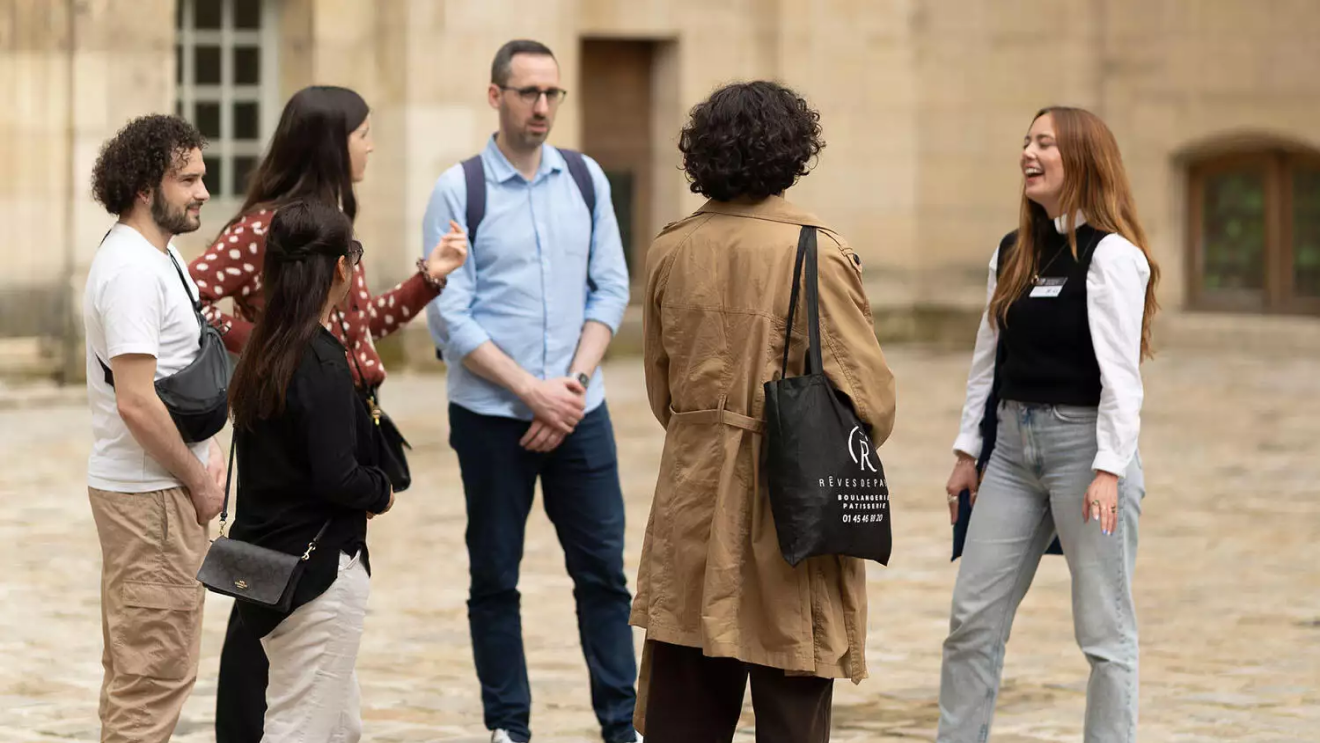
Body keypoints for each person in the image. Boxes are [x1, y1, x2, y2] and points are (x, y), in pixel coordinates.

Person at [193, 85, 469, 743]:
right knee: (278, 596)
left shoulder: (334, 227)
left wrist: (427, 278)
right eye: (364, 131)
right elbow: (188, 300)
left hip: (340, 409)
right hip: (296, 426)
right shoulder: (269, 227)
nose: (373, 144)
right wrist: (267, 351)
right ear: (330, 140)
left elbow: (359, 328)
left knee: (305, 625)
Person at [631, 81, 897, 743]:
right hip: (787, 511)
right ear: (793, 150)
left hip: (691, 498)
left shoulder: (670, 249)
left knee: (684, 709)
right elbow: (870, 401)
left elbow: (662, 393)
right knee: (791, 709)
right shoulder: (818, 251)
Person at [424, 39, 637, 743]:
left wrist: (569, 388)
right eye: (528, 93)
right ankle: (508, 726)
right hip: (490, 417)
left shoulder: (585, 178)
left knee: (604, 574)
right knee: (494, 576)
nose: (542, 107)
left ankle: (622, 722)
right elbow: (450, 313)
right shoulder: (460, 189)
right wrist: (530, 392)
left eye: (552, 94)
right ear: (496, 97)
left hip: (583, 411)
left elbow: (612, 286)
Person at [939, 106, 1159, 742]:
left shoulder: (1113, 256)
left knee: (1104, 633)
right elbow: (989, 363)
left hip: (1084, 451)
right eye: (1026, 142)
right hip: (1009, 452)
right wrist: (967, 453)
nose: (1028, 154)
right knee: (972, 621)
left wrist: (1109, 469)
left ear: (1082, 161)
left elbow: (1123, 377)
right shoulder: (1013, 252)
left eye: (1045, 144)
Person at [225, 199, 395, 741]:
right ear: (341, 268)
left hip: (266, 568)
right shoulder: (318, 358)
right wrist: (383, 488)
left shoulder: (265, 348)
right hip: (314, 573)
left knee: (339, 728)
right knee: (300, 728)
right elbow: (337, 477)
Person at [83, 114, 225, 742]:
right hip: (153, 502)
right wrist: (198, 480)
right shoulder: (134, 271)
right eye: (188, 178)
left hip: (157, 497)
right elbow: (136, 402)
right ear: (145, 186)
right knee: (151, 682)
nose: (203, 191)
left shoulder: (159, 257)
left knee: (143, 675)